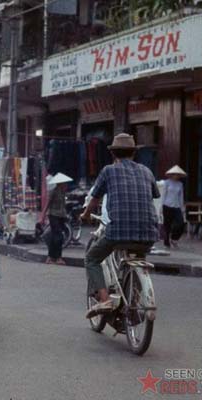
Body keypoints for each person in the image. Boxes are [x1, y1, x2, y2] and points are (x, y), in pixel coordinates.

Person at [81, 133, 160, 318]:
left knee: (91, 258)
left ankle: (104, 299)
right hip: (148, 234)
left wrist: (85, 215)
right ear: (134, 153)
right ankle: (133, 300)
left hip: (118, 233)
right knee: (136, 255)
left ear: (113, 154)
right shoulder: (147, 171)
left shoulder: (108, 171)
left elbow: (95, 199)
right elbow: (155, 194)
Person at [41, 173, 72, 265]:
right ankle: (56, 257)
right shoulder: (54, 191)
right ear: (60, 183)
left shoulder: (63, 192)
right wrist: (43, 215)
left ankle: (52, 257)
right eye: (64, 183)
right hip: (53, 215)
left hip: (61, 216)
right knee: (58, 236)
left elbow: (63, 206)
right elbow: (48, 203)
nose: (66, 185)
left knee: (58, 237)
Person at [162, 165, 186, 249]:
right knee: (167, 225)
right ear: (172, 174)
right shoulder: (167, 182)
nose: (176, 176)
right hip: (167, 205)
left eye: (178, 174)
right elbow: (164, 195)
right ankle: (166, 242)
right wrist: (161, 207)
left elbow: (181, 196)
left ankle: (174, 238)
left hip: (176, 206)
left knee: (181, 223)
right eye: (175, 174)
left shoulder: (180, 184)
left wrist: (182, 208)